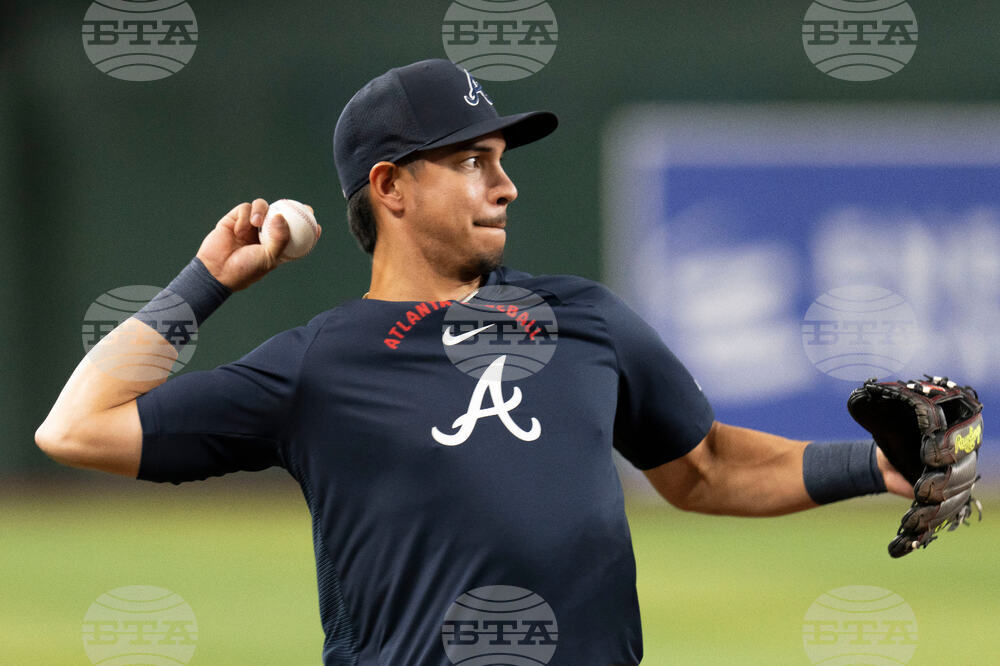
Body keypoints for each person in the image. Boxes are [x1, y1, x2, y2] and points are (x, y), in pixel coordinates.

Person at [36, 59, 911, 665]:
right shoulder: (320, 365)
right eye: (471, 161)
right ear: (391, 188)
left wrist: (875, 464)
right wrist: (206, 281)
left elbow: (706, 467)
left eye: (500, 161)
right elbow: (78, 427)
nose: (506, 184)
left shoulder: (585, 320)